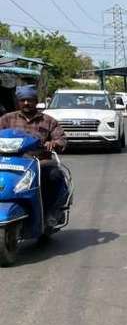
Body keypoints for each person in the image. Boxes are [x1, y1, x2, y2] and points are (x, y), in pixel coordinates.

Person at [0, 85, 69, 227]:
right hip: (10, 162)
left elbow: (61, 139)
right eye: (23, 100)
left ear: (36, 101)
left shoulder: (48, 121)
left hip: (39, 162)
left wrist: (53, 143)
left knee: (54, 176)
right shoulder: (7, 119)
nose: (26, 103)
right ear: (18, 102)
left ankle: (50, 212)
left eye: (30, 100)